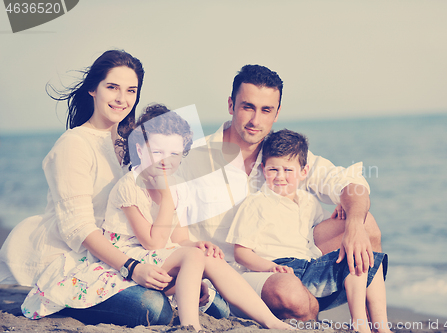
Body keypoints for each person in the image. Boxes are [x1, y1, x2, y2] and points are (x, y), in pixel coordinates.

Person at [21, 104, 290, 331]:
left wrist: (196, 245)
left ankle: (270, 321)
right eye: (157, 152)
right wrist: (167, 200)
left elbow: (178, 238)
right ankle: (190, 326)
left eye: (174, 154)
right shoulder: (130, 185)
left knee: (207, 256)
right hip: (127, 255)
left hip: (159, 253)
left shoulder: (177, 185)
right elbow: (152, 241)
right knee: (192, 260)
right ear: (140, 150)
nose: (165, 161)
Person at [182, 64, 383, 321]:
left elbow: (348, 182)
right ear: (231, 105)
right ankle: (307, 309)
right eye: (248, 107)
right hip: (232, 273)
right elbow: (165, 223)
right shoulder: (195, 158)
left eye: (266, 110)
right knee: (293, 296)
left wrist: (354, 223)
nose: (256, 120)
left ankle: (373, 326)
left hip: (291, 259)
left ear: (276, 114)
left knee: (366, 224)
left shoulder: (281, 155)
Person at [0, 50, 174, 327]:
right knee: (153, 309)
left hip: (126, 251)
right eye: (112, 87)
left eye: (131, 90)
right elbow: (79, 228)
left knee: (214, 303)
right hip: (76, 258)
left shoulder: (134, 145)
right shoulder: (74, 144)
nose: (122, 99)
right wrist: (132, 267)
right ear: (93, 89)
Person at [227, 129, 390, 333]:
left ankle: (373, 326)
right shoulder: (256, 203)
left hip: (309, 266)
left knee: (360, 258)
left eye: (288, 170)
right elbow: (241, 252)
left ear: (303, 172)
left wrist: (342, 206)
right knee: (296, 286)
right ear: (262, 168)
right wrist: (269, 267)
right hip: (278, 267)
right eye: (273, 170)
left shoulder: (307, 202)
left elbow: (326, 223)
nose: (280, 177)